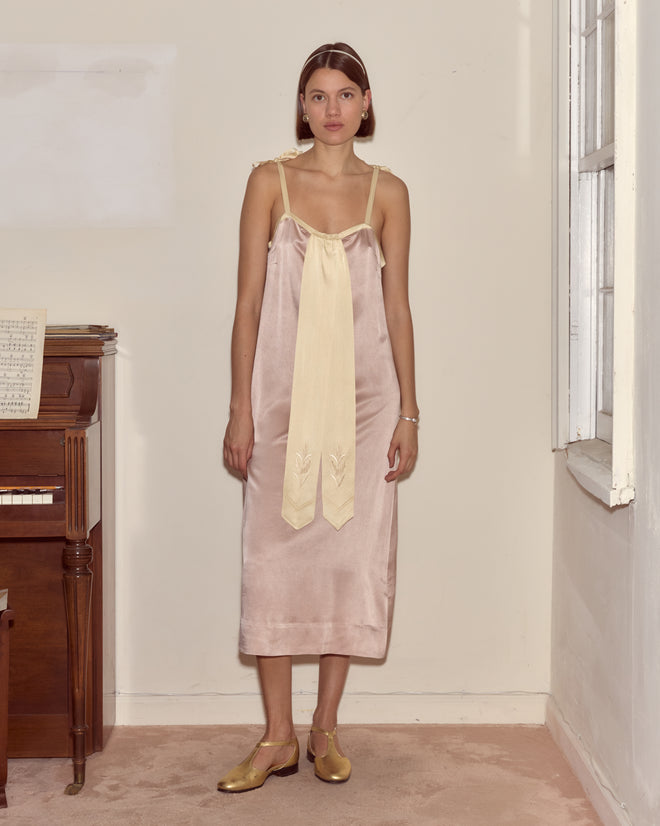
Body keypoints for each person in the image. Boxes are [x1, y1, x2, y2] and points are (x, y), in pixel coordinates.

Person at [218, 41, 418, 793]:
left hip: (366, 407)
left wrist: (410, 412)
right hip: (279, 402)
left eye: (345, 95)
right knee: (271, 562)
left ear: (366, 105)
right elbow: (247, 304)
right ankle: (277, 736)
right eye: (318, 95)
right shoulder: (267, 181)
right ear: (301, 107)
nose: (332, 109)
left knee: (346, 561)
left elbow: (397, 308)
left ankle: (325, 727)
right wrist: (240, 407)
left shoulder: (388, 193)